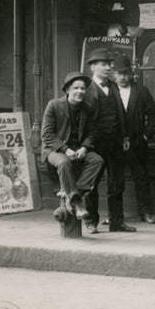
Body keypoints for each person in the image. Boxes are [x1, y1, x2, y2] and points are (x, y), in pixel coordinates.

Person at [41, 71, 105, 223]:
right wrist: (65, 149)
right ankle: (76, 203)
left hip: (77, 149)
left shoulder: (87, 108)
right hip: (54, 150)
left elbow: (92, 133)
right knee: (64, 162)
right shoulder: (54, 105)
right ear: (67, 89)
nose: (80, 92)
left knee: (97, 160)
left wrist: (84, 148)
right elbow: (47, 135)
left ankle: (75, 194)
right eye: (76, 88)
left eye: (83, 89)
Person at [84, 47, 133, 234]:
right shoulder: (87, 88)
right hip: (95, 144)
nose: (108, 67)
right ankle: (91, 221)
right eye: (104, 64)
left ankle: (117, 222)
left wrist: (125, 136)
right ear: (93, 67)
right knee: (92, 183)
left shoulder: (113, 86)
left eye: (109, 64)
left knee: (116, 183)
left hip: (115, 143)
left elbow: (121, 113)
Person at [112, 54, 155, 224]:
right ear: (114, 74)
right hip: (115, 143)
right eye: (120, 73)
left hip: (137, 143)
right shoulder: (110, 91)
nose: (123, 77)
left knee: (141, 178)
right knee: (115, 179)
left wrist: (146, 136)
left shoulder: (141, 91)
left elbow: (154, 116)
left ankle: (144, 212)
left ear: (131, 73)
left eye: (126, 73)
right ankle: (115, 215)